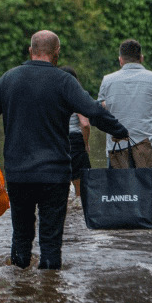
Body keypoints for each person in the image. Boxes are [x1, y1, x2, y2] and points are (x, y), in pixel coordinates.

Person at [0, 31, 129, 270]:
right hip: (54, 175)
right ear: (57, 53)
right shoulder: (64, 81)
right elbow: (93, 112)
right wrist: (118, 130)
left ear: (30, 50)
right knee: (51, 243)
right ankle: (50, 295)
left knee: (21, 239)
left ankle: (21, 296)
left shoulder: (9, 79)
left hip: (18, 175)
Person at [97, 39, 152, 169]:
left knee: (120, 189)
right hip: (149, 151)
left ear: (120, 60)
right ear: (141, 58)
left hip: (118, 150)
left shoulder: (107, 81)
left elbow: (100, 116)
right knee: (149, 189)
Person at [59, 66, 91, 202]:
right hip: (76, 141)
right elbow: (85, 124)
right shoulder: (79, 95)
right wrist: (86, 143)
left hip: (58, 141)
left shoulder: (54, 96)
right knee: (80, 190)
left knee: (61, 187)